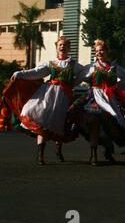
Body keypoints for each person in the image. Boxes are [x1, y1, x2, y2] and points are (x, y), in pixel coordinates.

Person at [7, 36, 85, 165]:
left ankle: (58, 150)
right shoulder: (51, 63)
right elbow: (37, 72)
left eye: (65, 45)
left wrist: (74, 83)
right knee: (41, 119)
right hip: (49, 93)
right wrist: (21, 74)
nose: (62, 47)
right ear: (56, 47)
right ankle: (40, 154)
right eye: (60, 45)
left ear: (69, 48)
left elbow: (84, 74)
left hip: (63, 96)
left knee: (59, 122)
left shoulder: (74, 64)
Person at [70, 40, 125, 166]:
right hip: (94, 97)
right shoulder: (91, 67)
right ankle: (94, 154)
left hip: (110, 99)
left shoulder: (114, 67)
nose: (99, 53)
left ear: (107, 51)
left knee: (112, 123)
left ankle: (107, 147)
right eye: (96, 51)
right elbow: (78, 80)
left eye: (101, 50)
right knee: (94, 121)